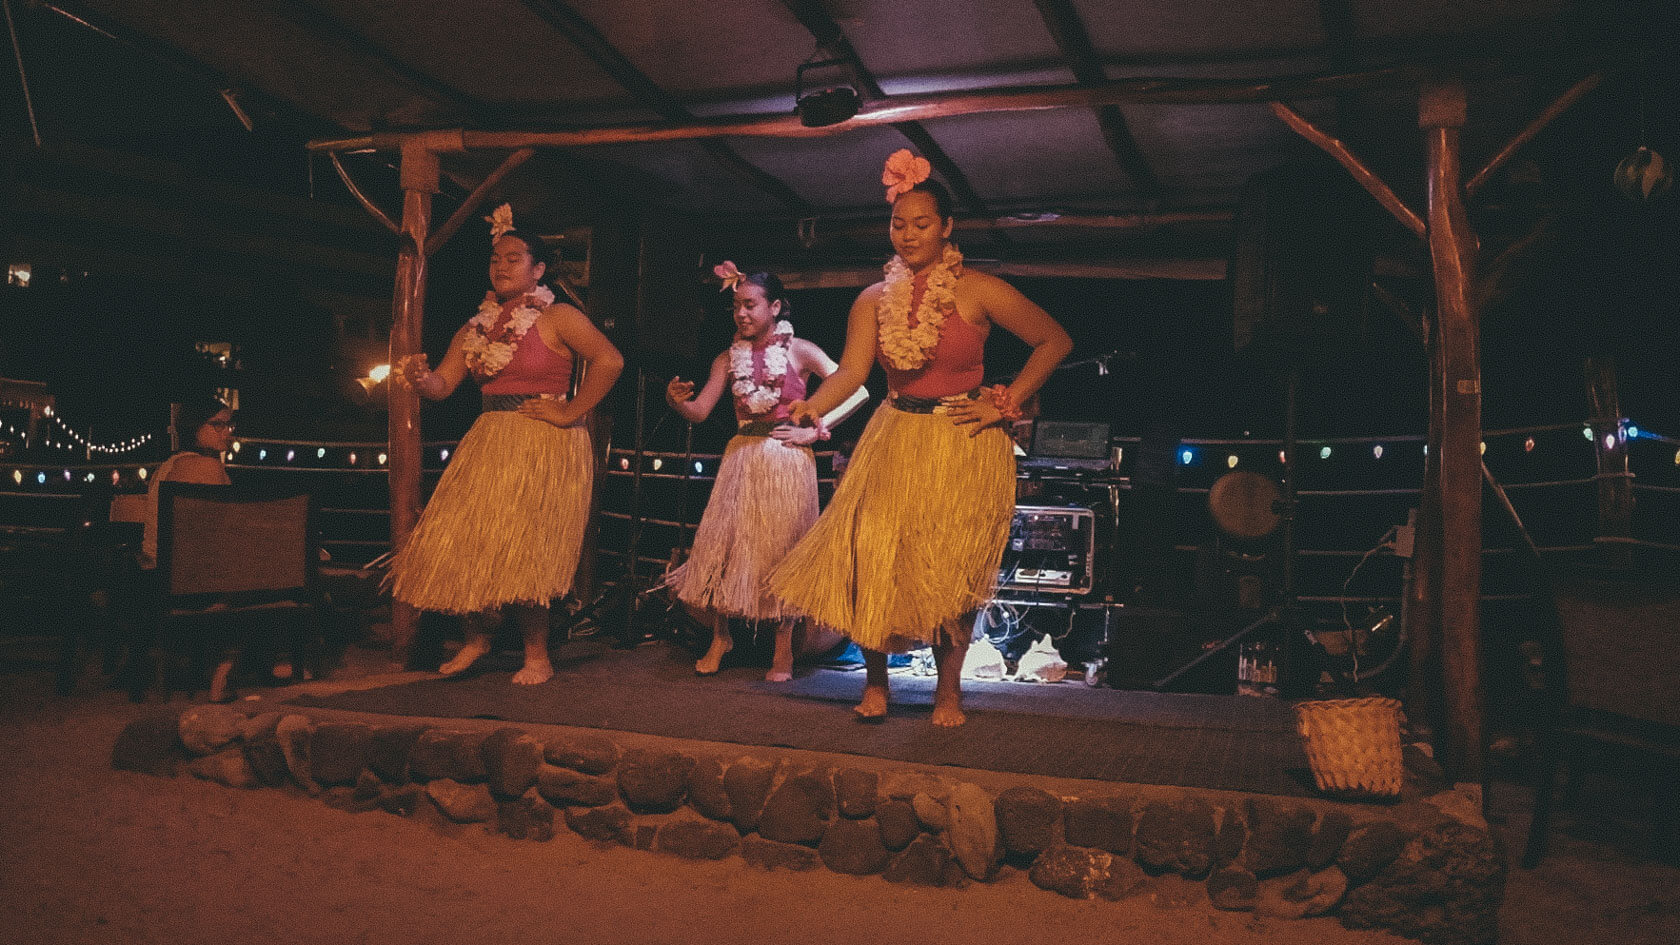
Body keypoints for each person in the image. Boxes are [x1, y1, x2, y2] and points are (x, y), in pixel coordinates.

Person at [768, 151, 1073, 726]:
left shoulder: (978, 290)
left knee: (948, 570)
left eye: (921, 223)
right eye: (898, 224)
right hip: (893, 435)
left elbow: (1053, 341)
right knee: (876, 559)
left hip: (960, 440)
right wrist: (812, 404)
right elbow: (853, 373)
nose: (907, 235)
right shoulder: (871, 301)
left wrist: (1000, 402)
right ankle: (876, 683)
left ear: (947, 227)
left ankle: (948, 692)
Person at [390, 204, 623, 685]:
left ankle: (537, 653)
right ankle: (478, 636)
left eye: (513, 258)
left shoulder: (557, 316)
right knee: (461, 541)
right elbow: (444, 387)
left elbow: (610, 361)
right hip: (489, 438)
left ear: (538, 270)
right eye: (495, 258)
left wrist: (570, 410)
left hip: (542, 438)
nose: (500, 266)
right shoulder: (475, 327)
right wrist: (421, 379)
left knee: (526, 549)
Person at [663, 263, 866, 679]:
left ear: (774, 306)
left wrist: (815, 432)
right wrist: (676, 402)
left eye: (750, 305)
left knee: (782, 550)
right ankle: (722, 636)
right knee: (725, 545)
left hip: (787, 459)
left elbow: (857, 390)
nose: (742, 314)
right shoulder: (727, 358)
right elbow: (700, 411)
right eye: (736, 306)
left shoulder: (801, 350)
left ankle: (784, 649)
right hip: (741, 456)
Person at [132, 395, 236, 699]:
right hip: (190, 582)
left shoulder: (168, 466)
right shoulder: (206, 468)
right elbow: (217, 532)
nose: (227, 431)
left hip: (156, 576)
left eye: (229, 424)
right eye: (217, 424)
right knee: (267, 575)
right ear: (193, 427)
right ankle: (228, 665)